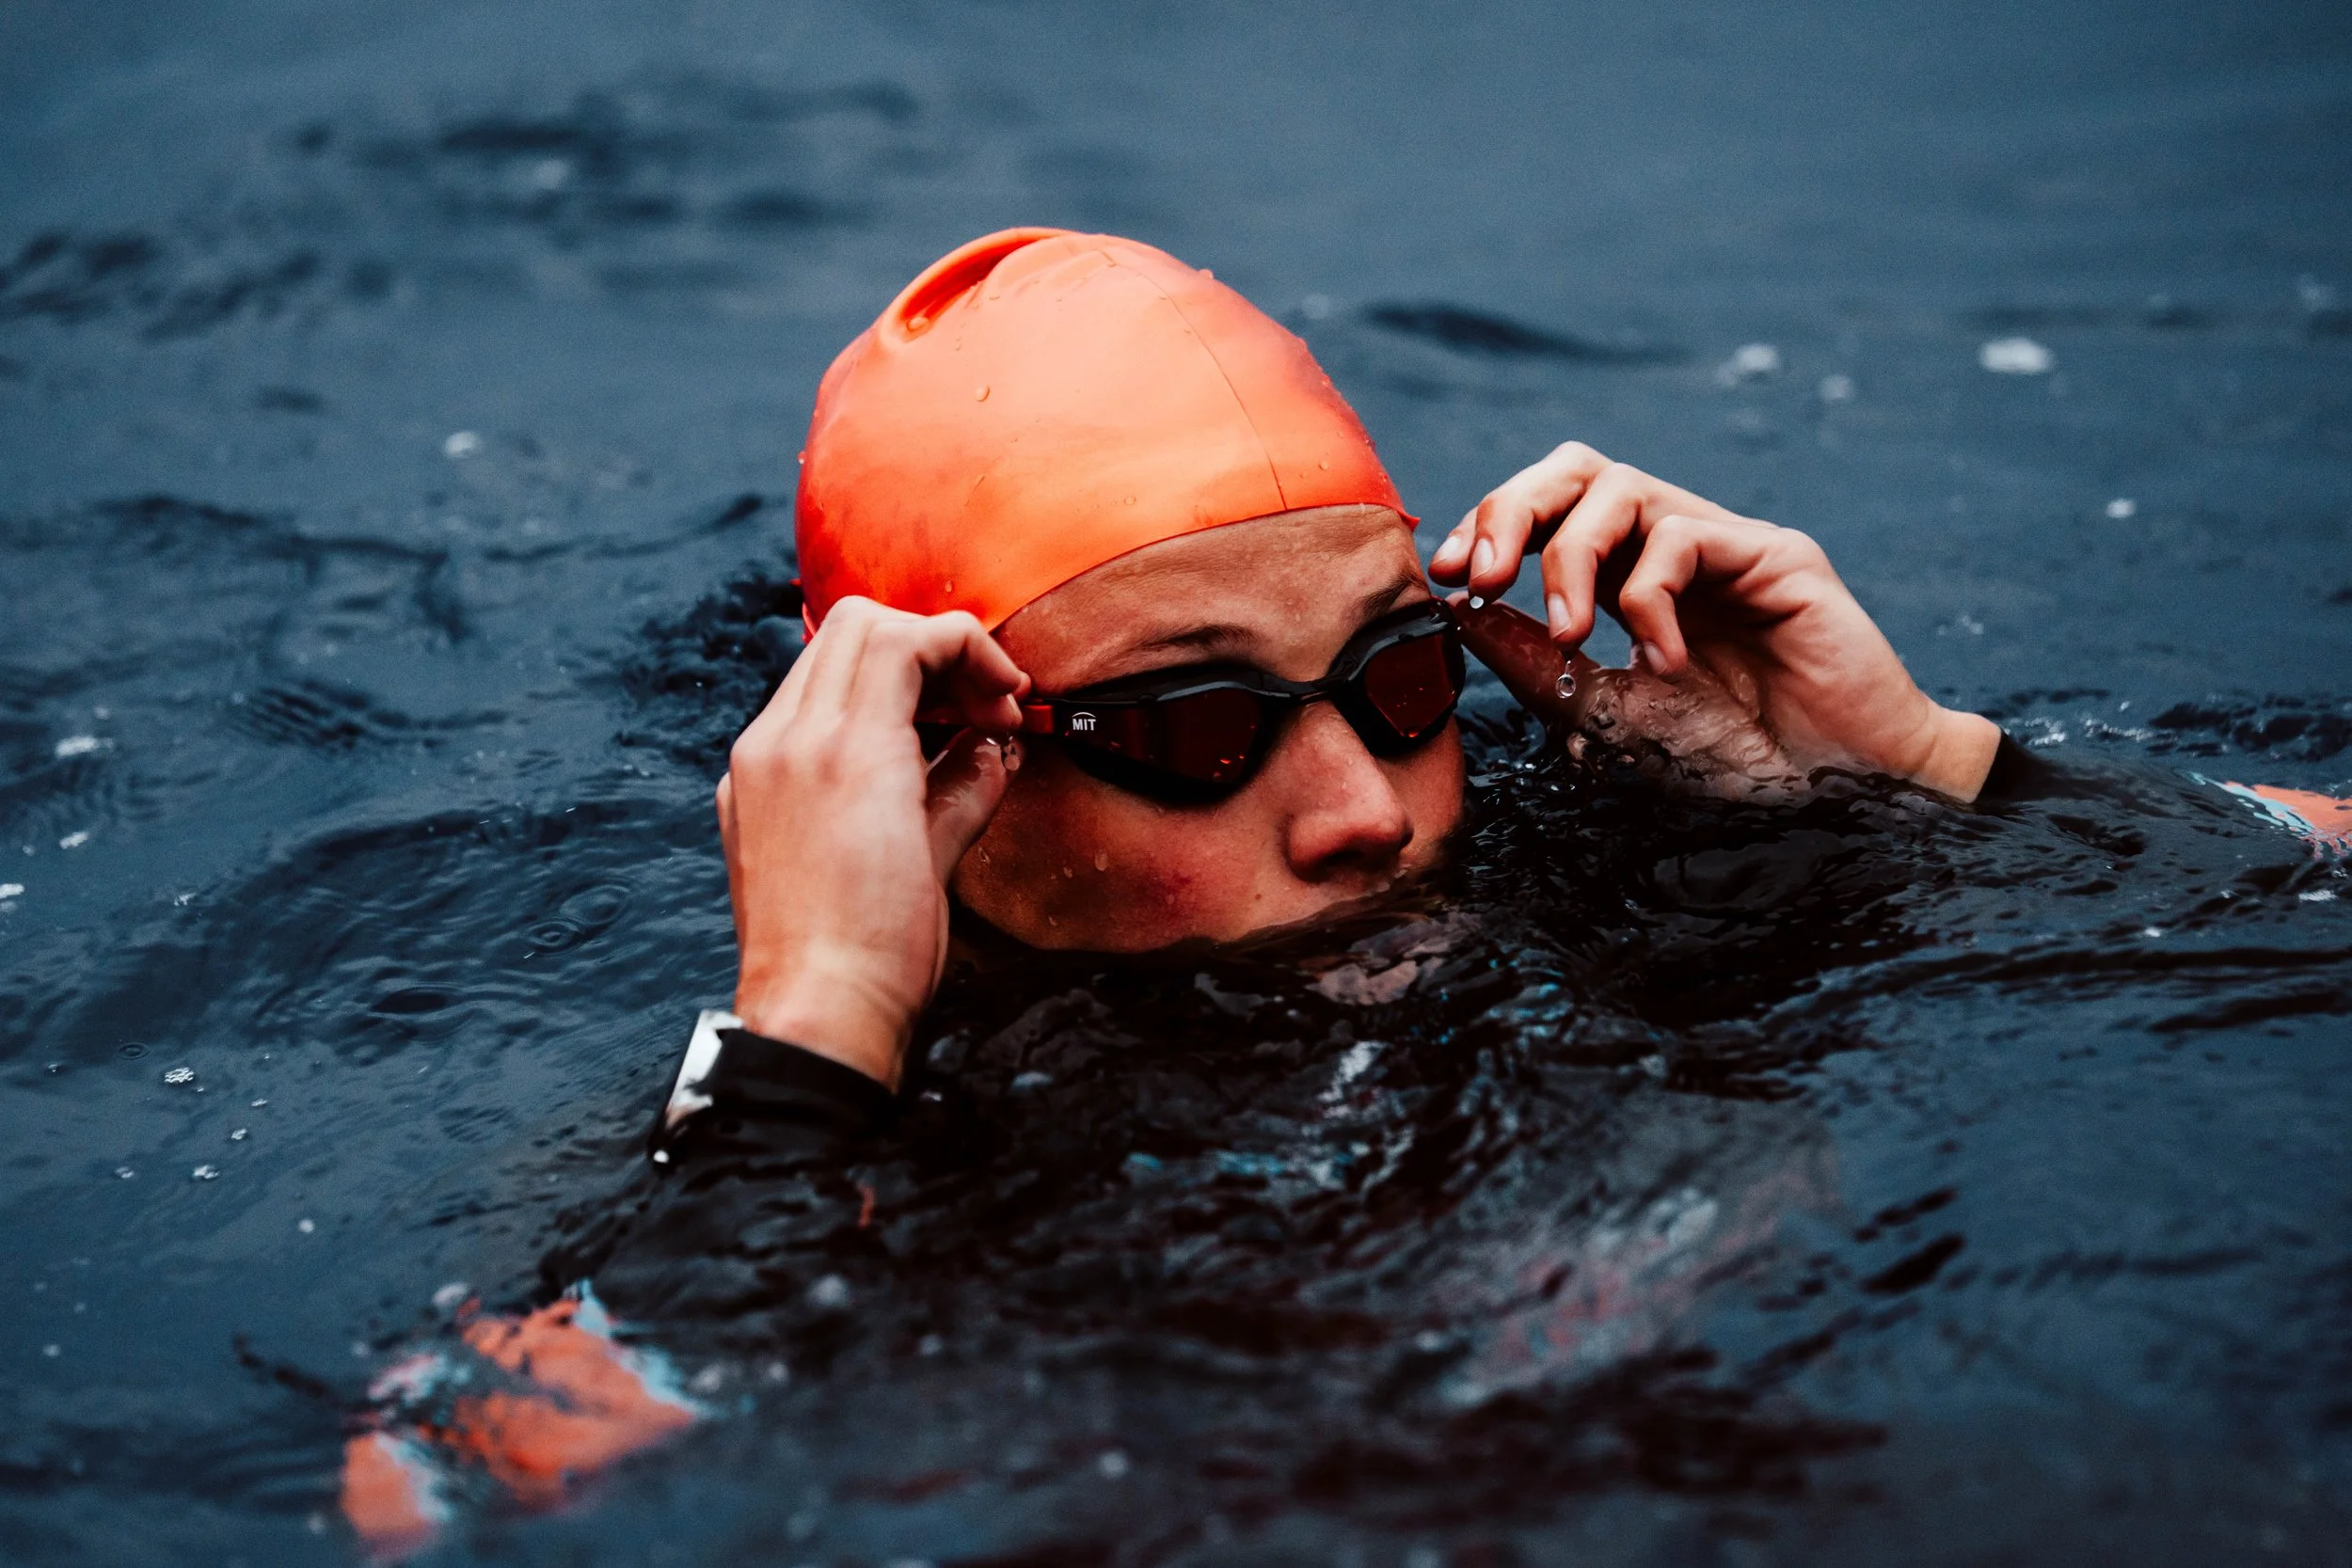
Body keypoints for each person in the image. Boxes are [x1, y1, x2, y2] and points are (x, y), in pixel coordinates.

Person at [695, 226, 2004, 1120]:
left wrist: (1908, 777)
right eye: (1194, 727)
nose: (1369, 814)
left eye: (1400, 671)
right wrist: (827, 1014)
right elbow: (564, 1466)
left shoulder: (1628, 906)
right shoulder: (844, 1106)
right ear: (932, 769)